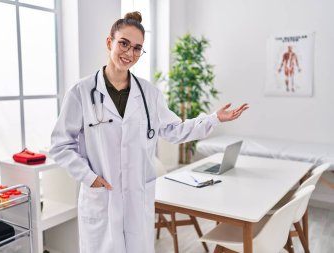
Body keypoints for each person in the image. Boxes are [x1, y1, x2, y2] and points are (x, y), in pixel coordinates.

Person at [49, 11, 248, 253]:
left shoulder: (148, 94)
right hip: (102, 198)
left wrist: (214, 118)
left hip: (137, 198)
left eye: (137, 48)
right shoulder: (81, 92)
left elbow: (174, 130)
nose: (129, 53)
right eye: (124, 43)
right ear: (109, 42)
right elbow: (60, 145)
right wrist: (89, 177)